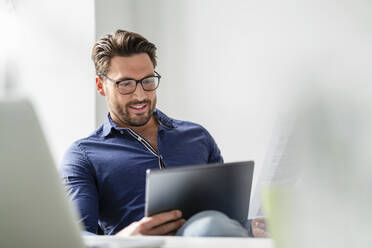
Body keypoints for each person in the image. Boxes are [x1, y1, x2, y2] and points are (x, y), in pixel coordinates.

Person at [60, 29, 267, 237]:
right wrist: (126, 239)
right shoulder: (83, 155)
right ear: (100, 85)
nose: (140, 95)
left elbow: (227, 216)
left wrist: (248, 228)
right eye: (126, 84)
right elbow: (76, 239)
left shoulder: (197, 136)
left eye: (148, 81)